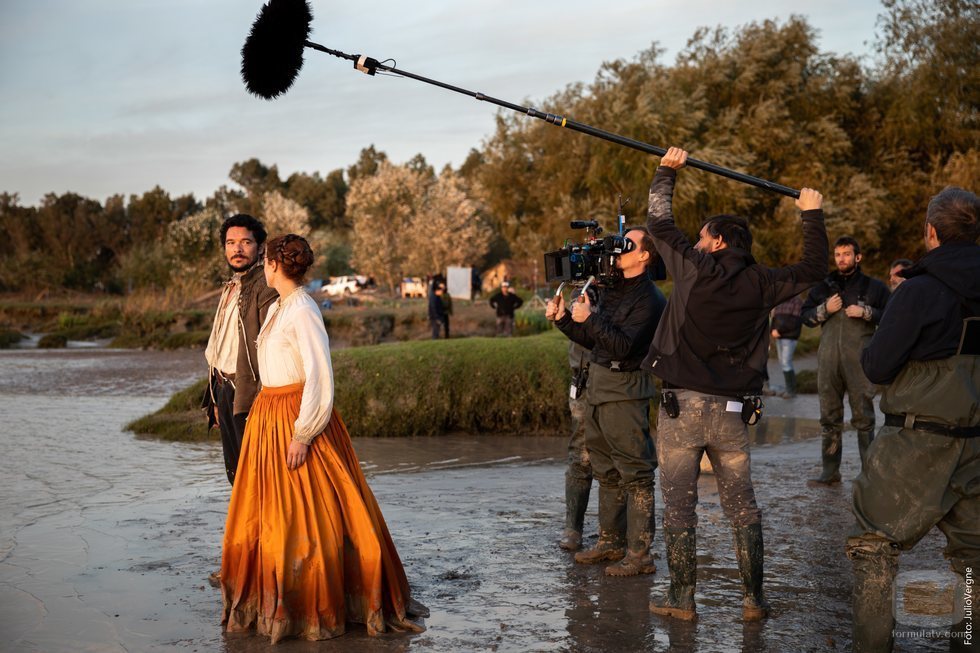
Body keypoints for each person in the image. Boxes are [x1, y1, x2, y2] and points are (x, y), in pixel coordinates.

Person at [645, 147, 827, 622]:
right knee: (742, 507)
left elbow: (659, 224)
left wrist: (667, 170)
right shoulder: (764, 282)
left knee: (679, 507)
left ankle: (682, 599)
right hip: (732, 414)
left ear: (720, 241)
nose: (699, 243)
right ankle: (753, 600)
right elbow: (813, 269)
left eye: (704, 238)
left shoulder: (695, 268)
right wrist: (812, 215)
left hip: (680, 410)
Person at [220, 234, 426, 643]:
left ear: (276, 265)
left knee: (313, 516)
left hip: (295, 418)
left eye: (265, 260)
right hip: (268, 417)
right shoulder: (279, 307)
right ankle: (276, 597)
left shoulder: (302, 309)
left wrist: (304, 433)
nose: (262, 266)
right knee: (272, 517)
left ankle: (318, 599)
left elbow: (320, 374)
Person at [846, 187, 980, 652]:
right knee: (974, 558)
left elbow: (877, 366)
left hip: (916, 439)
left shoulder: (919, 289)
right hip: (978, 444)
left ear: (930, 232)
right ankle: (968, 639)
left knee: (873, 544)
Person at [546, 226, 667, 577]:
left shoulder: (651, 299)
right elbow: (590, 338)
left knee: (636, 471)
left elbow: (624, 345)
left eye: (626, 244)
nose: (618, 249)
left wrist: (593, 319)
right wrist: (564, 319)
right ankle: (610, 542)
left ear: (644, 255)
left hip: (626, 388)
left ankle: (640, 553)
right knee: (605, 468)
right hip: (598, 384)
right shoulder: (612, 289)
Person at [801, 236, 890, 486]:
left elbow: (893, 317)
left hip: (859, 362)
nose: (842, 259)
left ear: (857, 257)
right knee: (829, 416)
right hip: (828, 362)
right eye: (838, 254)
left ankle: (869, 473)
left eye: (847, 254)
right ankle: (830, 472)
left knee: (864, 418)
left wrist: (867, 312)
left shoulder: (875, 287)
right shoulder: (823, 287)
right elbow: (805, 317)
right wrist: (824, 310)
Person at [202, 214, 278, 486]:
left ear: (260, 247)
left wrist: (260, 398)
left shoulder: (266, 288)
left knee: (257, 474)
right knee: (236, 475)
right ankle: (246, 529)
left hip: (249, 393)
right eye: (230, 242)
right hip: (223, 389)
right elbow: (219, 346)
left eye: (245, 242)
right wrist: (213, 400)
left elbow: (270, 349)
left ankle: (265, 529)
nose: (237, 248)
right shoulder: (231, 287)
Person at [559, 287, 595, 552]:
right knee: (579, 456)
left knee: (617, 459)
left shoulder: (628, 292)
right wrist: (562, 317)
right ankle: (573, 527)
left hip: (614, 383)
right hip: (581, 384)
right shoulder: (580, 291)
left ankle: (615, 533)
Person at [770, 294, 804, 397]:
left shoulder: (797, 301)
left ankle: (791, 390)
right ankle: (788, 388)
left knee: (786, 362)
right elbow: (774, 318)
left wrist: (779, 330)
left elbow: (795, 321)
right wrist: (772, 330)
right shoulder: (780, 300)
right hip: (778, 336)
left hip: (790, 337)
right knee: (782, 362)